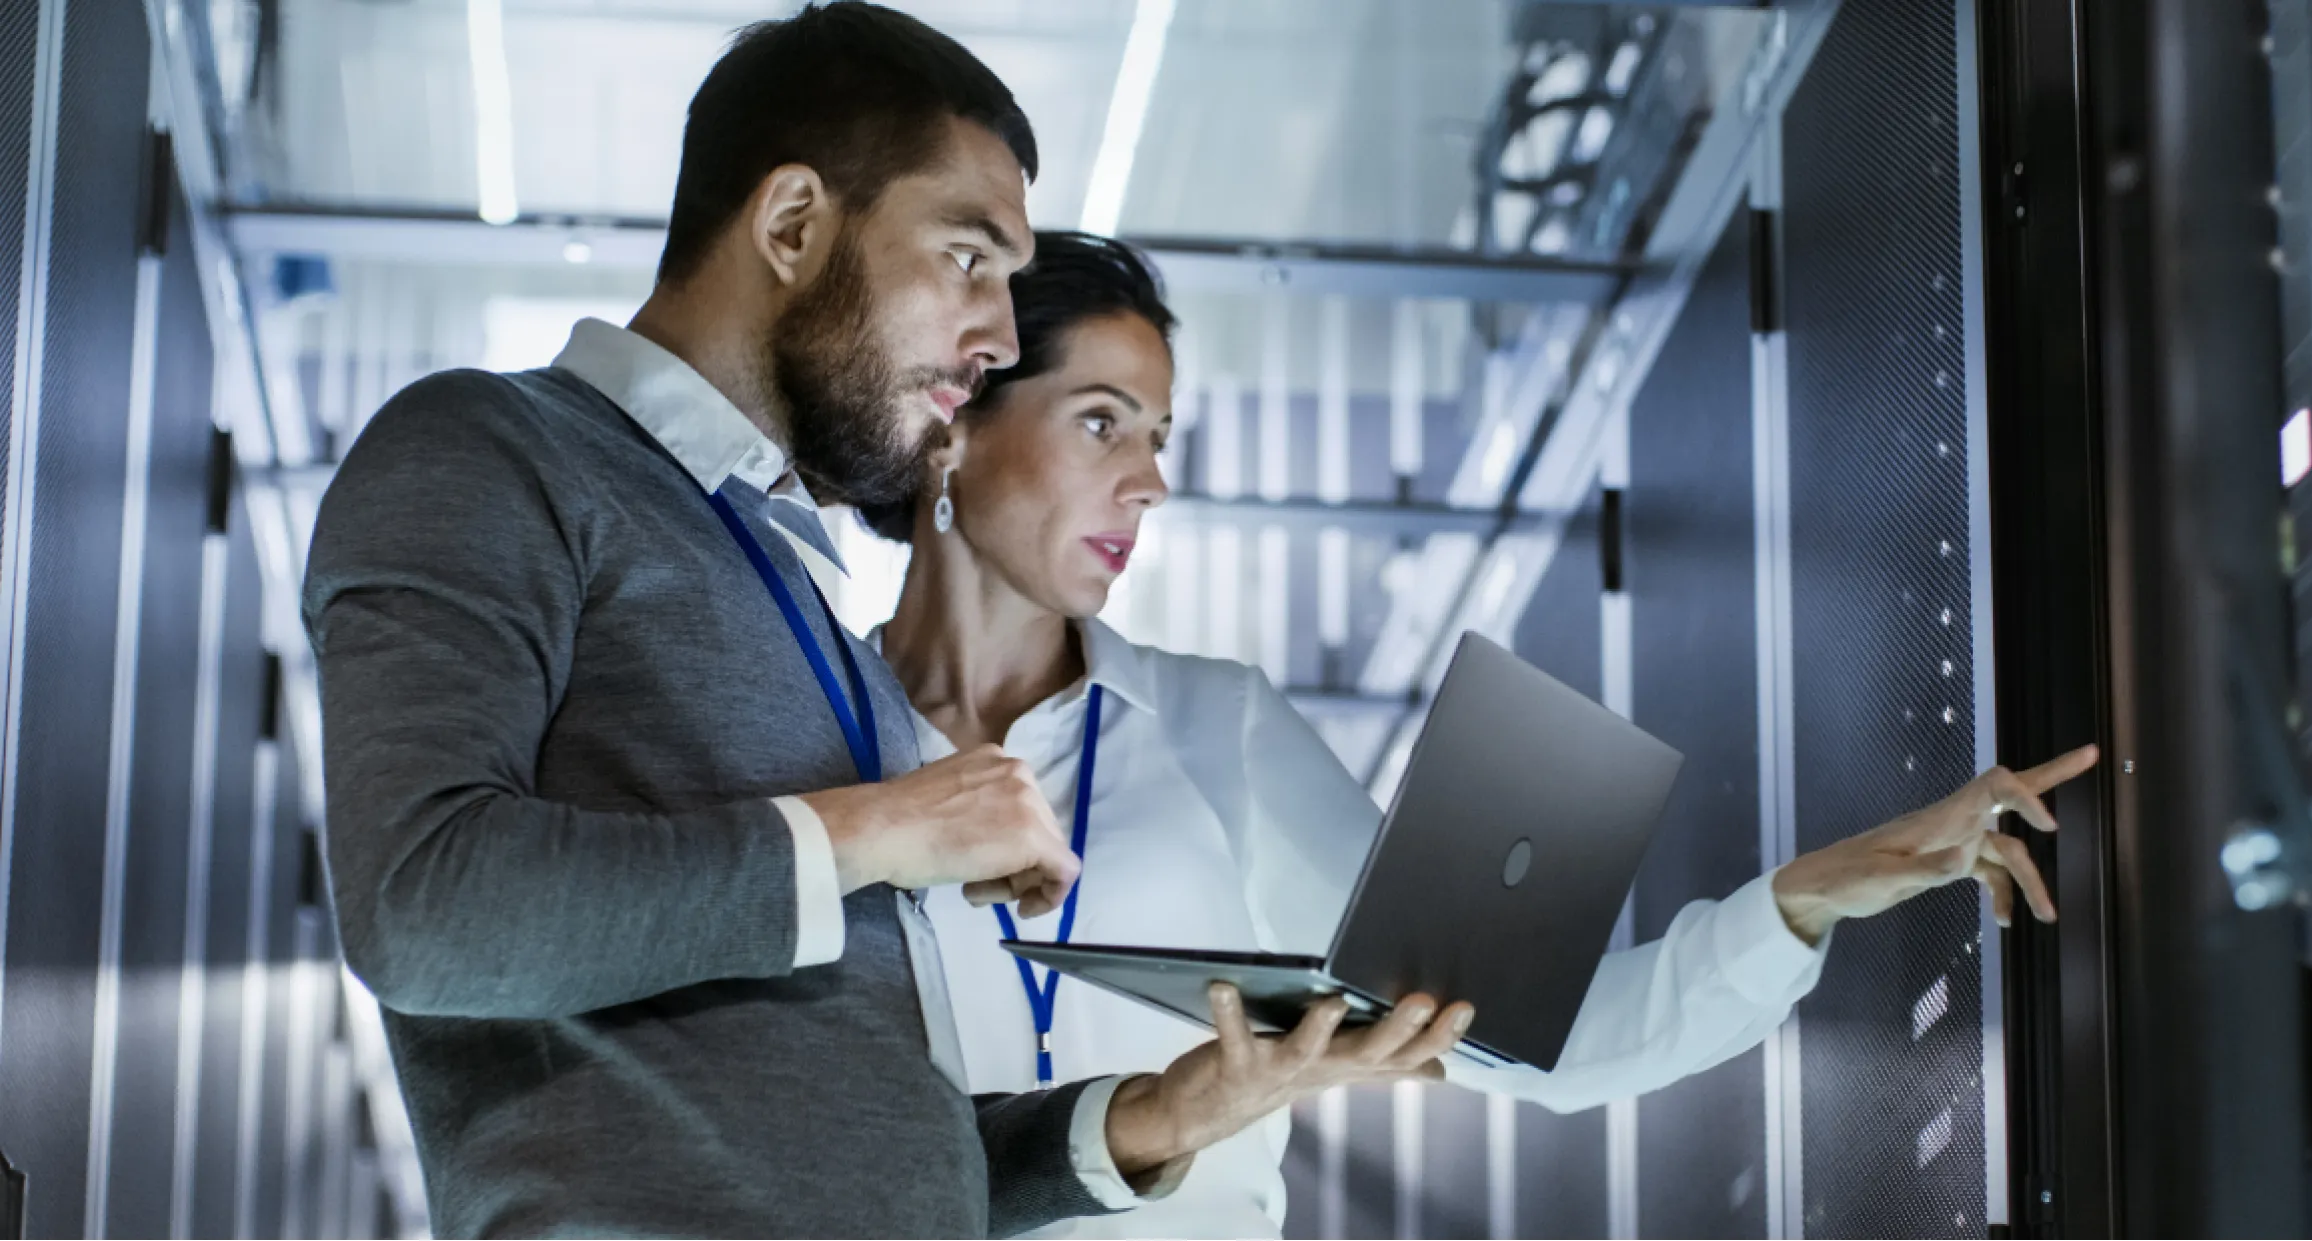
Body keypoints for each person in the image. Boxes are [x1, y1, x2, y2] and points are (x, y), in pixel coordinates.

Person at [304, 8, 1464, 1237]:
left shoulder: (792, 589)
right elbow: (423, 908)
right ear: (793, 224)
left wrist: (1153, 1116)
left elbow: (869, 1146)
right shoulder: (492, 449)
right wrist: (884, 825)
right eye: (969, 258)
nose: (1000, 336)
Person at [858, 230, 2100, 1237]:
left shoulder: (1211, 726)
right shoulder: (815, 757)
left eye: (1159, 437)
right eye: (1101, 421)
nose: (1150, 482)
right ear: (957, 418)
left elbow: (1536, 1045)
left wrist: (1807, 898)